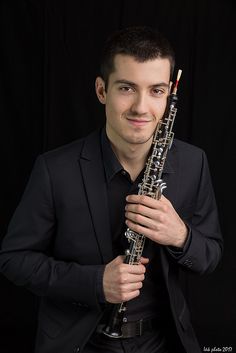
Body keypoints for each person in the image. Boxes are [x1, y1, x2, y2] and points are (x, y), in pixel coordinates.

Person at [0, 25, 223, 353]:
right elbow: (13, 259)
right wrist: (96, 282)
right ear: (102, 90)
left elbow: (211, 256)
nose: (141, 108)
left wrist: (180, 235)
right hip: (81, 344)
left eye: (157, 91)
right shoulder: (55, 169)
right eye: (127, 88)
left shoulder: (193, 163)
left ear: (169, 96)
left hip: (162, 342)